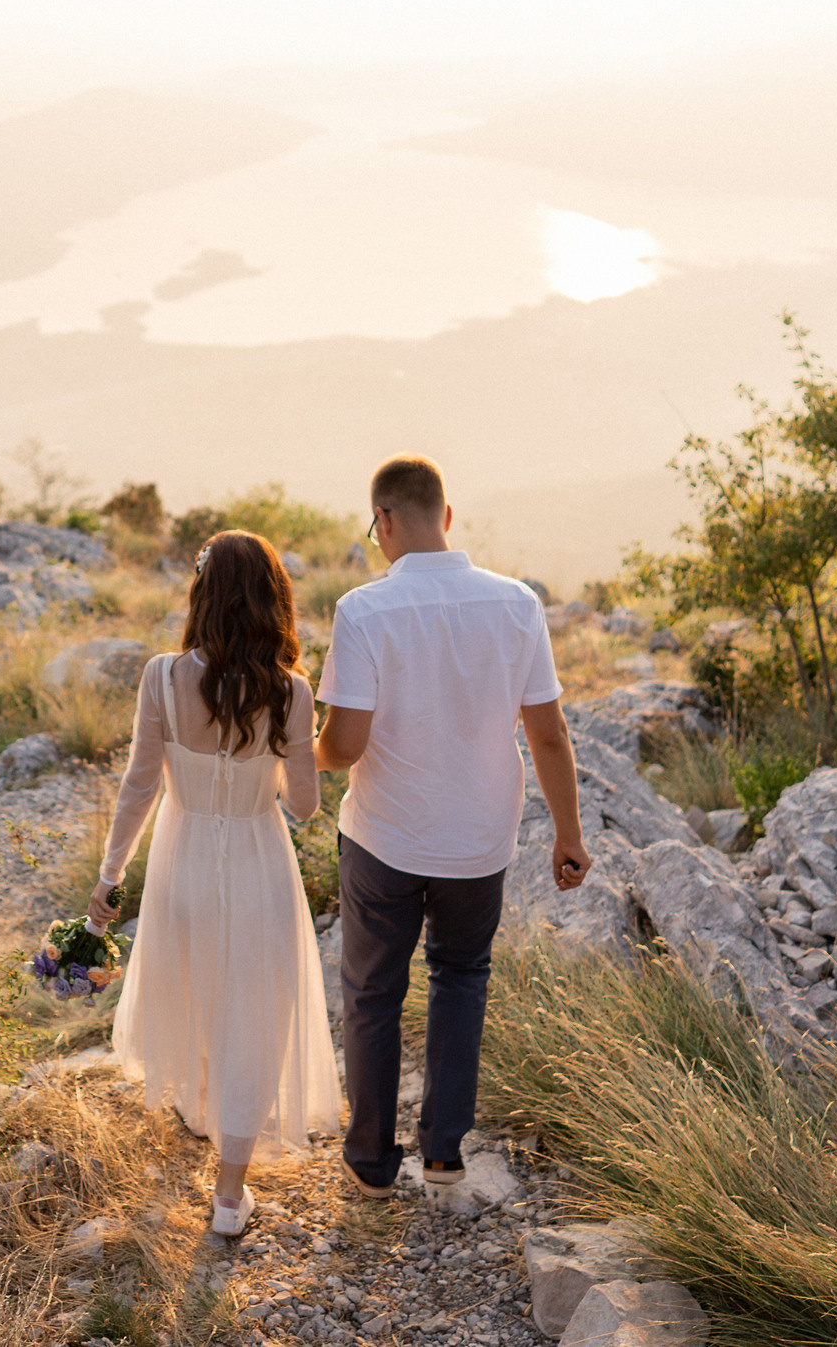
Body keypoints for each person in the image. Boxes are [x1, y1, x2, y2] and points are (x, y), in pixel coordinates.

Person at [311, 454, 590, 1198]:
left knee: (372, 990)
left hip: (385, 836)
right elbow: (550, 733)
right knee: (461, 977)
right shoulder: (517, 603)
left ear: (385, 521)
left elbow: (344, 747)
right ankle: (442, 1155)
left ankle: (371, 1163)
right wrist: (569, 833)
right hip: (479, 838)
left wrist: (303, 751)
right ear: (449, 515)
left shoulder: (363, 610)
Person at [89, 530, 341, 1238]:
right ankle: (229, 1197)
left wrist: (111, 874)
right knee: (255, 1016)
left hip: (183, 858)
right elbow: (303, 805)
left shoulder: (161, 677)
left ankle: (201, 1123)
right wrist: (300, 739)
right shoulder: (289, 689)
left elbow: (139, 786)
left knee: (195, 991)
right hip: (258, 862)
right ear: (272, 598)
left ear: (201, 591)